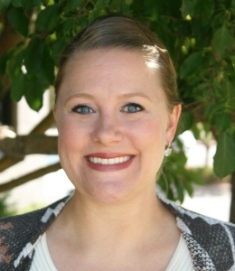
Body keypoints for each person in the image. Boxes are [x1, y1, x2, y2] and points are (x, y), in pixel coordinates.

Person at [0, 14, 235, 271]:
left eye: (132, 107)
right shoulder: (5, 251)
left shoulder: (229, 255)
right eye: (83, 108)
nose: (106, 133)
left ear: (170, 124)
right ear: (58, 118)